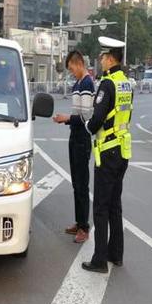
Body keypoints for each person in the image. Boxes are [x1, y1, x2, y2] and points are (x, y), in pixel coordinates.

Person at [81, 37, 133, 274]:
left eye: (102, 57)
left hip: (107, 150)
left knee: (101, 206)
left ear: (110, 58)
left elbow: (98, 118)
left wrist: (87, 126)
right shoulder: (126, 84)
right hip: (122, 150)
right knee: (115, 205)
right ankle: (116, 254)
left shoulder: (108, 84)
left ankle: (100, 259)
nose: (100, 60)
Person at [52, 50, 95, 244]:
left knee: (82, 185)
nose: (71, 72)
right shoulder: (78, 84)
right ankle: (79, 222)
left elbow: (87, 116)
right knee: (76, 183)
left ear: (79, 64)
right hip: (74, 136)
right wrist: (67, 120)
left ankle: (84, 228)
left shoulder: (86, 83)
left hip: (82, 139)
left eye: (71, 68)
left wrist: (67, 118)